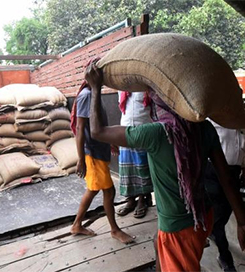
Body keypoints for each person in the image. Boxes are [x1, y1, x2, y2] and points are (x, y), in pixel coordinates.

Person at [85, 61, 245, 272]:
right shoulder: (204, 128)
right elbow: (226, 179)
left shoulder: (155, 133)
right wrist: (242, 222)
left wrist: (95, 88)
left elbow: (97, 131)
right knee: (157, 242)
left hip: (178, 228)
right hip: (202, 215)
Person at [69, 78, 135, 244]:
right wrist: (81, 159)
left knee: (94, 190)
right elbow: (80, 128)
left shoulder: (93, 94)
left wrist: (110, 142)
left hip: (99, 150)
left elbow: (100, 125)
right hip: (92, 152)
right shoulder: (86, 96)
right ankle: (114, 230)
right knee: (107, 191)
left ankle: (77, 225)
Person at [204, 120, 245, 271]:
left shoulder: (237, 122)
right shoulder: (210, 122)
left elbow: (241, 145)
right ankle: (225, 257)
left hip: (233, 175)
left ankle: (214, 235)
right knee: (218, 219)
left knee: (224, 214)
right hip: (213, 173)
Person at [116, 91, 153, 218]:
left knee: (141, 168)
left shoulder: (144, 87)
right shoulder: (121, 89)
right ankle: (131, 200)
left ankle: (143, 200)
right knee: (127, 169)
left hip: (143, 129)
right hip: (125, 129)